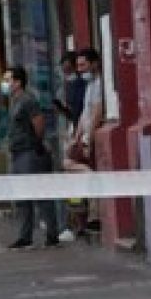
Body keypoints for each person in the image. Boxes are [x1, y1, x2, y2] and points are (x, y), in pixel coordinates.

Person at [3, 66, 60, 249]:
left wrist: (37, 142)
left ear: (18, 82)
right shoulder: (14, 101)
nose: (5, 84)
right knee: (21, 196)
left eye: (8, 80)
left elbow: (39, 122)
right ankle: (25, 236)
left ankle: (52, 234)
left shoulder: (28, 100)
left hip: (29, 152)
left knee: (39, 193)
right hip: (18, 153)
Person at [62, 48, 104, 237]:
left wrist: (88, 138)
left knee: (72, 166)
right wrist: (76, 137)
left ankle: (92, 217)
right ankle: (79, 221)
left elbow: (96, 113)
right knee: (70, 173)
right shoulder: (89, 85)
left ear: (94, 63)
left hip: (90, 136)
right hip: (82, 135)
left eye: (83, 65)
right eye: (78, 66)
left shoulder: (100, 85)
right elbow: (83, 115)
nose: (80, 70)